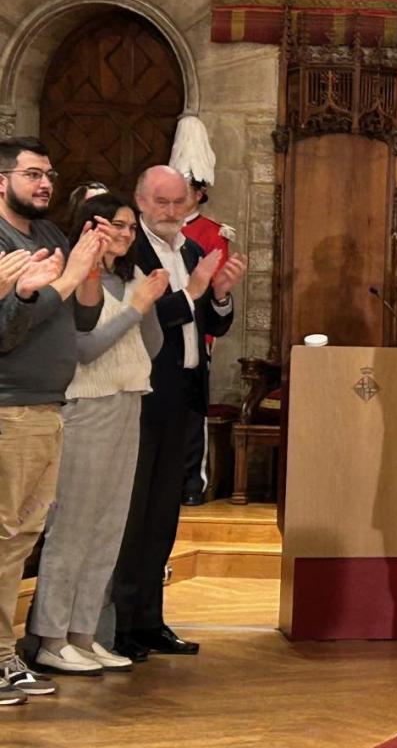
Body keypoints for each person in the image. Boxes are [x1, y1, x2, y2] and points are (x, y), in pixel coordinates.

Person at [28, 189, 168, 676]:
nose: (126, 235)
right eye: (118, 225)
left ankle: (83, 635)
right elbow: (85, 350)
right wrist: (135, 309)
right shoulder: (76, 275)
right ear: (93, 226)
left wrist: (145, 305)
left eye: (132, 227)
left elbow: (149, 347)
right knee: (73, 527)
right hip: (86, 406)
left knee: (109, 527)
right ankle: (50, 636)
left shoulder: (127, 279)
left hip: (129, 402)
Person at [111, 166, 245, 661]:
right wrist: (192, 293)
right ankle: (121, 624)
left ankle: (150, 620)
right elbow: (139, 320)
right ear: (141, 201)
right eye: (162, 203)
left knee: (165, 514)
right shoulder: (131, 252)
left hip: (186, 393)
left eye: (179, 202)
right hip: (142, 393)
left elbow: (210, 324)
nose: (172, 212)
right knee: (135, 513)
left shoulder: (189, 248)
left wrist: (222, 294)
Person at [0, 137, 108, 705]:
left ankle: (3, 655)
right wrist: (58, 284)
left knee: (22, 539)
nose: (45, 184)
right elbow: (6, 332)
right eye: (33, 174)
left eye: (49, 173)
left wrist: (90, 266)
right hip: (9, 405)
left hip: (48, 402)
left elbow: (78, 314)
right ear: (2, 180)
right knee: (2, 536)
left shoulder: (47, 234)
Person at [169, 116, 233, 505]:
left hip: (195, 331)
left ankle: (192, 480)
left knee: (193, 412)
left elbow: (216, 287)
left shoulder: (211, 232)